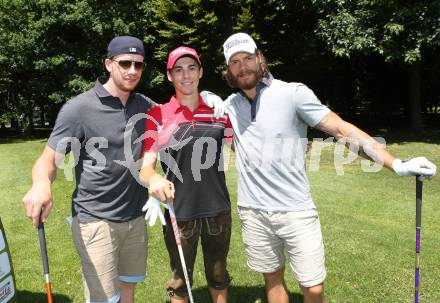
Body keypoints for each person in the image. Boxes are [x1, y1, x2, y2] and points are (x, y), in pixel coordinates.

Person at [212, 32, 437, 303]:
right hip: (253, 211)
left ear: (260, 58)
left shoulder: (292, 93)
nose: (243, 66)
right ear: (228, 70)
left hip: (296, 209)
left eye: (248, 58)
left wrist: (396, 163)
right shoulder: (229, 106)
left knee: (314, 288)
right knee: (272, 279)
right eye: (234, 62)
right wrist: (204, 97)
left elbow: (341, 130)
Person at [22, 36, 155, 303]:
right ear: (108, 64)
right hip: (95, 221)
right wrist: (41, 184)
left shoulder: (146, 106)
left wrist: (205, 97)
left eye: (138, 65)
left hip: (135, 218)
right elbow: (47, 160)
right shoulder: (79, 109)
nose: (132, 71)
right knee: (105, 299)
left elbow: (178, 113)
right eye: (125, 63)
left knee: (128, 289)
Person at [139, 46, 232, 303]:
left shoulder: (218, 112)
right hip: (179, 210)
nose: (186, 75)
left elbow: (240, 147)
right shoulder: (157, 114)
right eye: (178, 70)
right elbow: (146, 167)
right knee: (180, 281)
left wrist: (226, 106)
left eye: (192, 68)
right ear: (170, 76)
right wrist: (155, 178)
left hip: (218, 208)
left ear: (201, 71)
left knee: (218, 274)